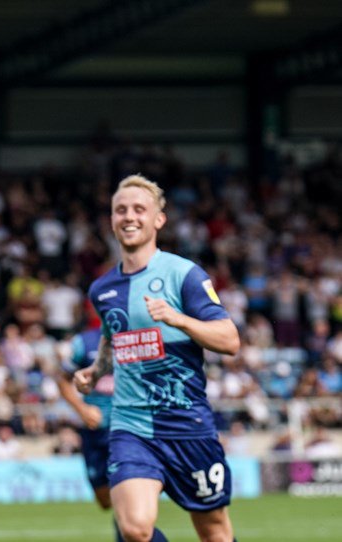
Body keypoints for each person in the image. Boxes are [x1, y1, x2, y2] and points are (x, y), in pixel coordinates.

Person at [74, 175, 240, 542]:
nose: (129, 217)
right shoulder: (102, 289)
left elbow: (229, 340)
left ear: (158, 220)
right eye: (121, 210)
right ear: (112, 219)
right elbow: (112, 335)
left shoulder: (184, 275)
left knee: (214, 531)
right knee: (134, 529)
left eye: (138, 209)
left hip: (187, 424)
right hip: (130, 424)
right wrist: (97, 368)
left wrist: (177, 318)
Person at [55, 327, 120, 540]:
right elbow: (62, 379)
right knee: (104, 499)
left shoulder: (135, 335)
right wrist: (82, 411)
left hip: (126, 427)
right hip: (93, 431)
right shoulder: (83, 342)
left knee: (125, 490)